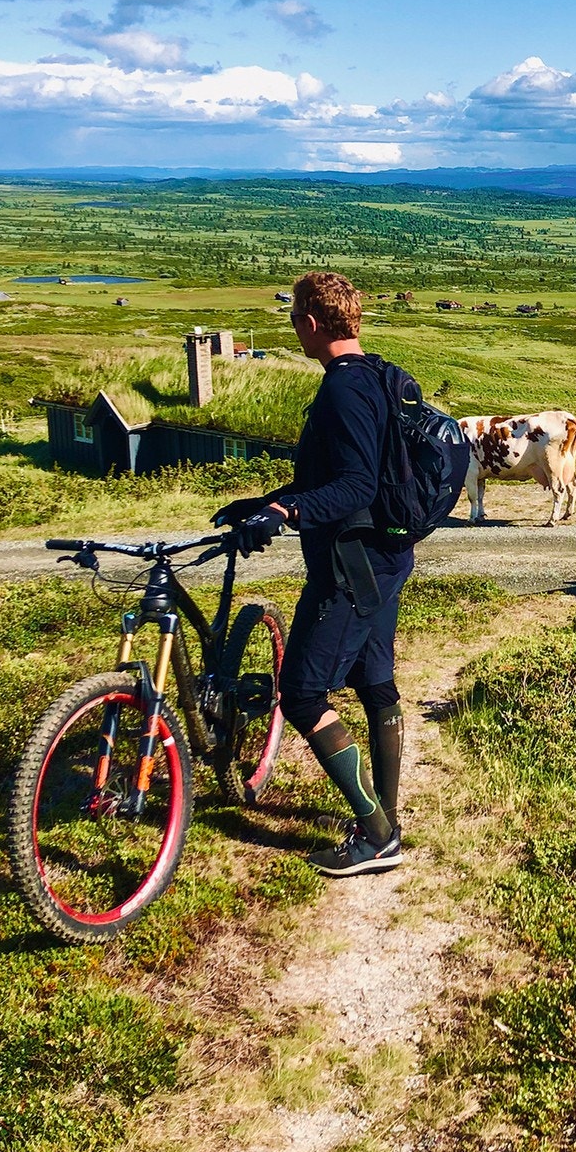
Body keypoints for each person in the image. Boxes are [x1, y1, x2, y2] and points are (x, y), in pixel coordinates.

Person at [214, 270, 412, 877]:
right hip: (385, 557)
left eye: (294, 317)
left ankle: (375, 834)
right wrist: (265, 505)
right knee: (376, 683)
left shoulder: (341, 392)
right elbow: (340, 475)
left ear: (309, 322)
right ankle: (385, 817)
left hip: (351, 567)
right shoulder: (378, 375)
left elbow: (354, 484)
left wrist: (291, 511)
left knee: (301, 694)